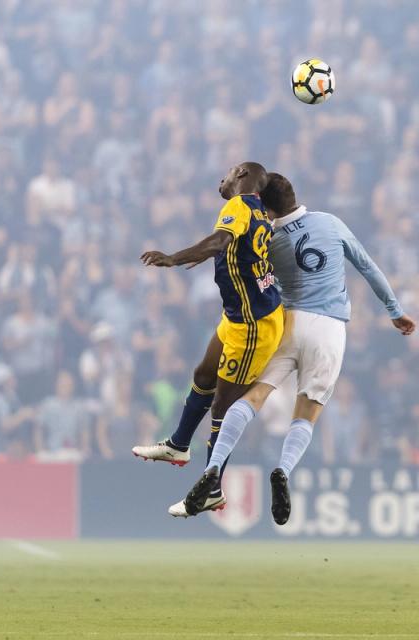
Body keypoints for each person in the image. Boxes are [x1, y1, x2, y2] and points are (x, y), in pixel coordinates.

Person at [178, 173, 415, 521]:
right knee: (307, 412)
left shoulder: (268, 238)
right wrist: (395, 311)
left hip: (286, 324)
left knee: (252, 398)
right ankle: (283, 471)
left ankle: (213, 469)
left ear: (268, 208)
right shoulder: (330, 223)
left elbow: (252, 277)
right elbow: (366, 265)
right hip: (329, 328)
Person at [132, 162, 284, 515]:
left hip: (253, 326)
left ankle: (213, 487)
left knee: (222, 407)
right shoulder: (260, 212)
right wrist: (215, 256)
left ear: (243, 176)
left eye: (229, 172)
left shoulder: (240, 204)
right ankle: (178, 444)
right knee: (203, 375)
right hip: (236, 317)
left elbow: (221, 240)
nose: (222, 178)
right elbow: (236, 249)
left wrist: (174, 257)